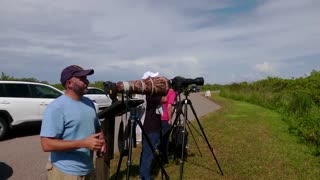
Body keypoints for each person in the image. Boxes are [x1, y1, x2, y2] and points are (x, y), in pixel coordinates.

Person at [40, 65, 106, 180]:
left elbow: (97, 128)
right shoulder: (56, 107)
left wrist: (102, 140)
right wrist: (83, 143)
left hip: (88, 169)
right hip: (65, 173)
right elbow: (46, 144)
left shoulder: (89, 103)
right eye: (82, 79)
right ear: (69, 84)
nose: (87, 81)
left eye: (86, 78)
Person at [139, 71, 165, 180]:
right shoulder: (150, 94)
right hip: (151, 128)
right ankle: (145, 177)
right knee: (148, 154)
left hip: (149, 127)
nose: (156, 81)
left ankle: (143, 174)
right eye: (154, 79)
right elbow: (164, 99)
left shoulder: (146, 93)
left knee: (146, 152)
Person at [160, 88, 176, 164]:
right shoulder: (171, 92)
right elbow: (169, 106)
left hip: (157, 117)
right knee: (165, 139)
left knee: (159, 137)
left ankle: (159, 154)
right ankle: (165, 158)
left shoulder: (160, 90)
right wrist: (170, 119)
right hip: (165, 118)